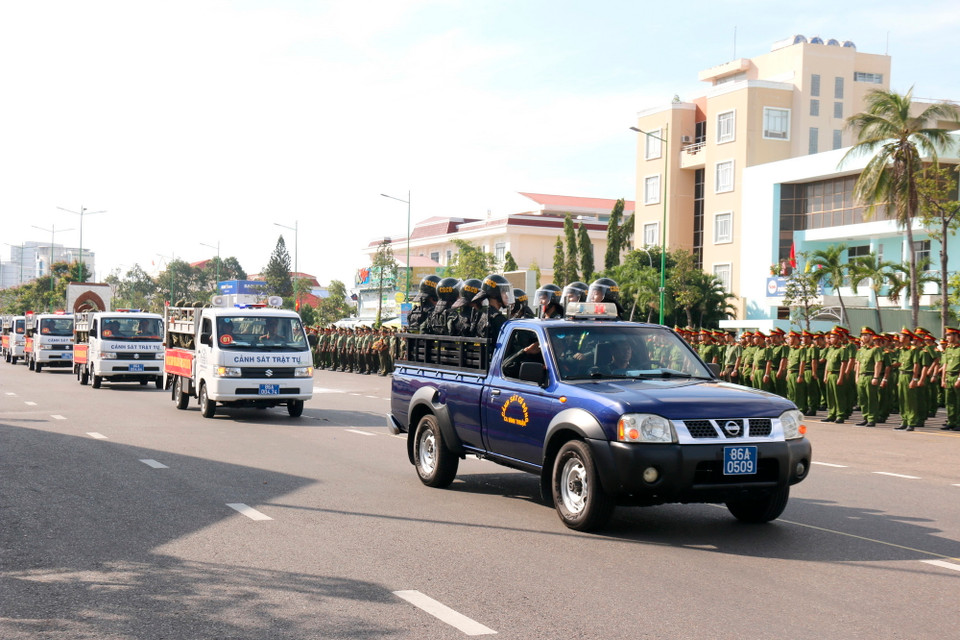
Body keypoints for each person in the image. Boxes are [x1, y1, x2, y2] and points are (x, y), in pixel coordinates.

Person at [472, 274, 514, 341]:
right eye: (504, 293)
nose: (506, 296)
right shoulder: (498, 319)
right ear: (496, 293)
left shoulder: (480, 314)